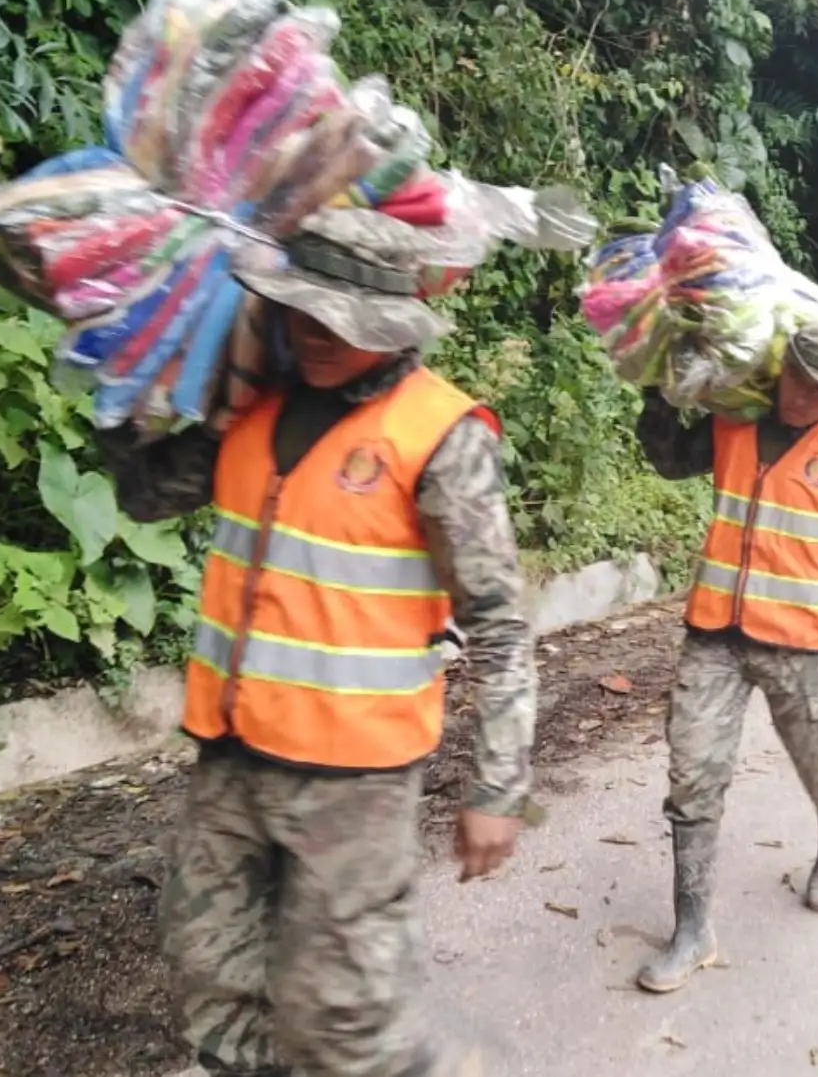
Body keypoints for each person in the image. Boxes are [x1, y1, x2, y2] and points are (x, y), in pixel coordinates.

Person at [98, 211, 535, 1077]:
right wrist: (123, 378)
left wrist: (499, 787)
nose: (320, 333)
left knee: (347, 1013)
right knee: (215, 977)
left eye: (345, 318)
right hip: (230, 756)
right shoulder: (248, 412)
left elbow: (500, 620)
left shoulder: (441, 435)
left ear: (392, 318)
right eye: (306, 311)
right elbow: (147, 496)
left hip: (356, 782)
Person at [633, 320, 818, 991]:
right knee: (692, 776)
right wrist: (660, 396)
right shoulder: (734, 423)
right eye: (798, 378)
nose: (804, 396)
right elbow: (668, 460)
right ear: (781, 366)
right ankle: (692, 928)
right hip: (716, 636)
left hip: (804, 645)